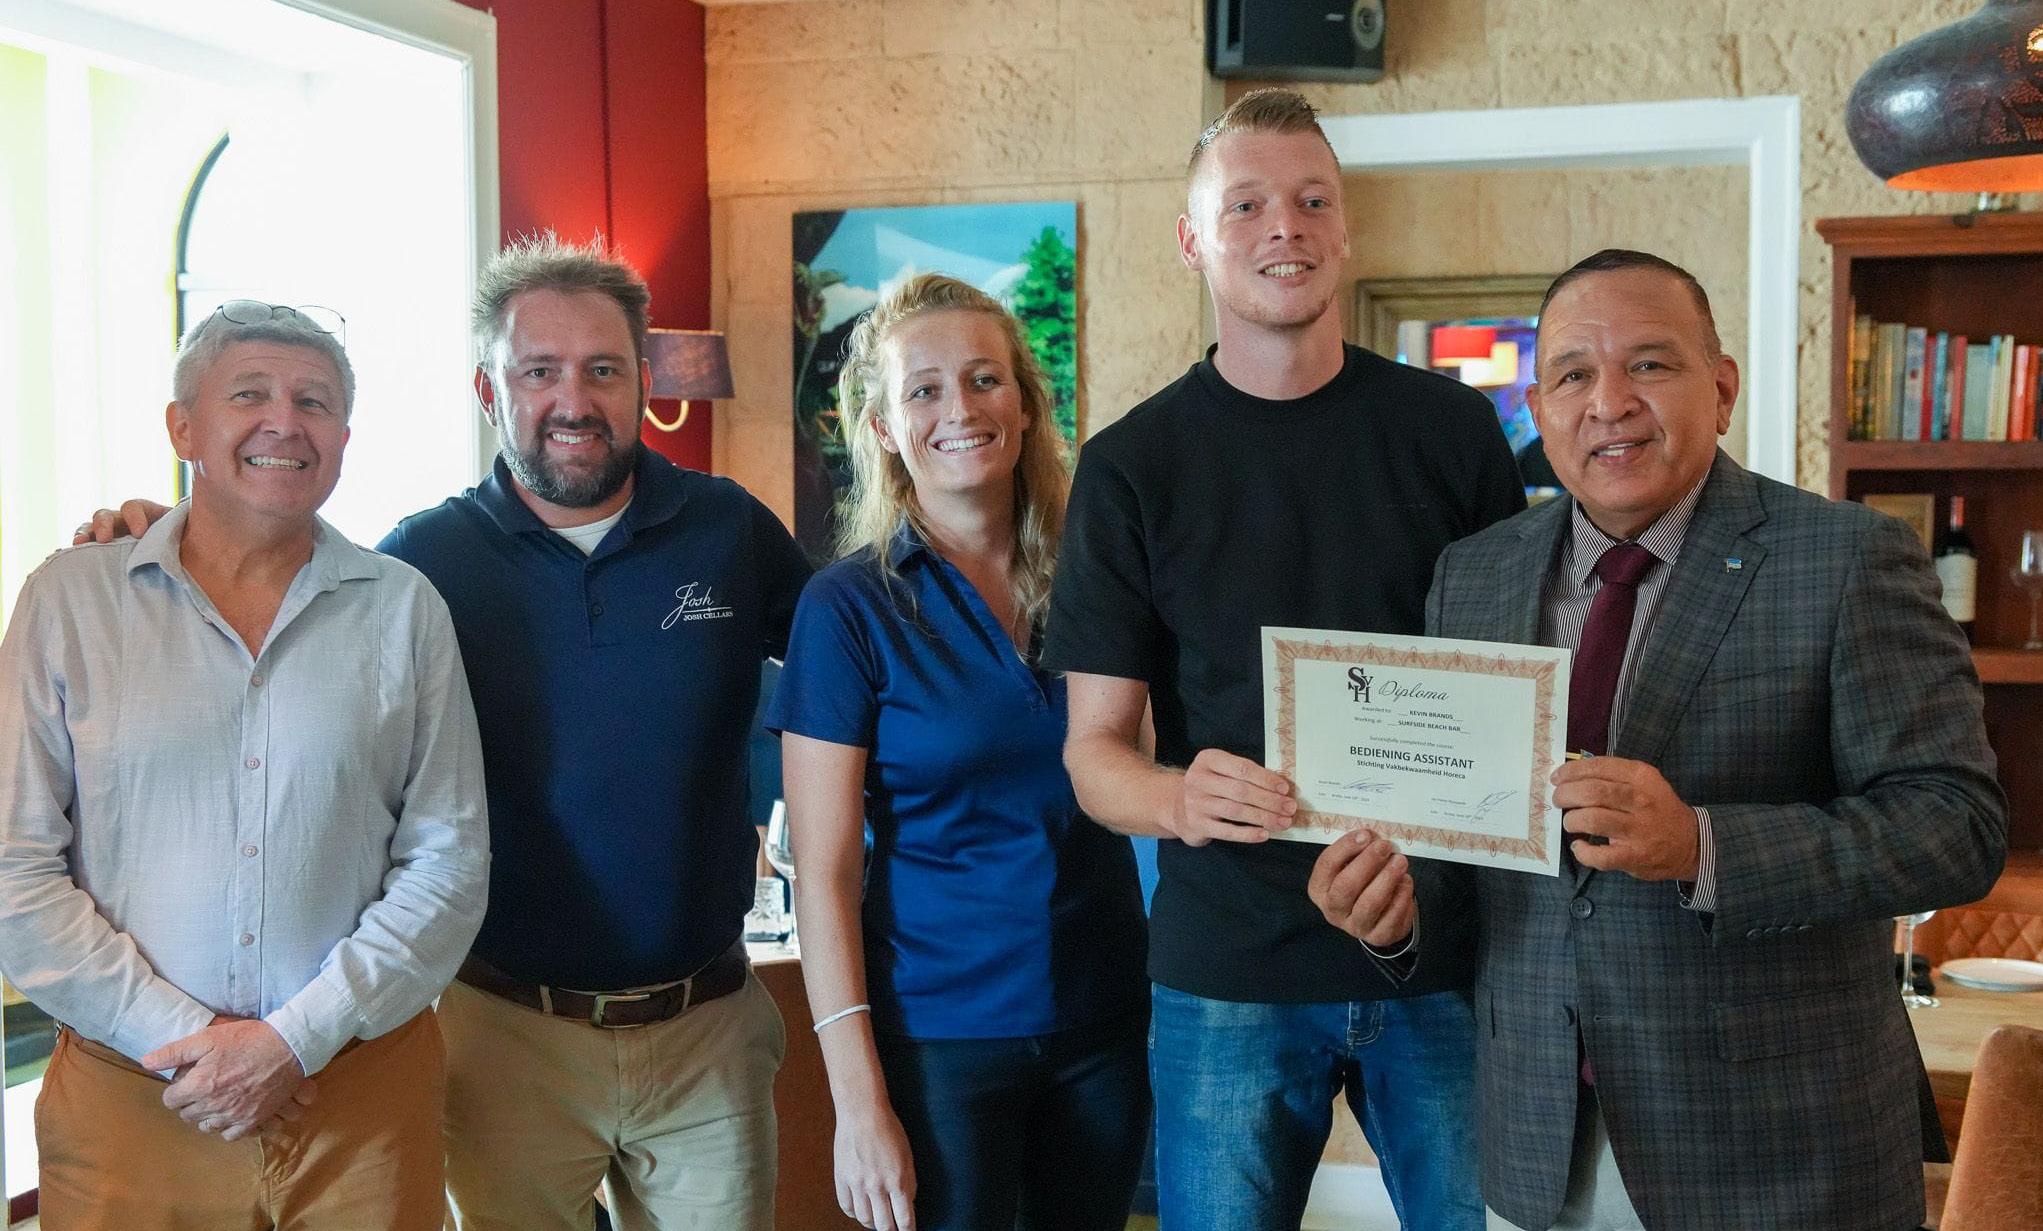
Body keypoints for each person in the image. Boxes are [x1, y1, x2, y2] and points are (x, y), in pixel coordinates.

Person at [76, 236, 813, 1231]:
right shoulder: (421, 563)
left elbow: (859, 664)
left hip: (707, 1030)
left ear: (644, 380)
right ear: (487, 389)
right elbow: (271, 620)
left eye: (602, 369)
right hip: (500, 1032)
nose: (573, 399)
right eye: (538, 370)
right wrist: (163, 531)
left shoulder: (729, 529)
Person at [1310, 249, 2007, 1231]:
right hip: (1536, 1142)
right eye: (1573, 375)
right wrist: (1395, 913)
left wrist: (1700, 845)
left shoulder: (1847, 559)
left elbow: (1955, 826)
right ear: (1538, 408)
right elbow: (1476, 860)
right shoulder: (1472, 576)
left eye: (1649, 363)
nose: (1610, 402)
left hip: (1779, 1154)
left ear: (1720, 390)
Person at [1044, 89, 1525, 1229]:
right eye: (1246, 204)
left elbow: (1515, 686)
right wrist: (1175, 796)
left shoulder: (1454, 432)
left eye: (1312, 201)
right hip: (1231, 969)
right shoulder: (1129, 467)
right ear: (1192, 239)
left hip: (1441, 951)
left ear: (1345, 227)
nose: (1284, 228)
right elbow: (1093, 756)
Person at [1, 301, 489, 1229]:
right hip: (132, 1099)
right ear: (183, 427)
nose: (284, 422)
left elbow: (449, 860)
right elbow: (15, 865)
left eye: (314, 402)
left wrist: (294, 1041)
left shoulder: (404, 609)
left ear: (342, 440)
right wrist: (188, 1041)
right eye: (249, 394)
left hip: (359, 1103)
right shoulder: (69, 601)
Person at [768, 274, 1150, 1231]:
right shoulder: (847, 608)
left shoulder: (1098, 577)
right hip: (938, 1041)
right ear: (885, 429)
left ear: (1024, 405)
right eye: (924, 390)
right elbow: (823, 873)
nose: (960, 409)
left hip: (1104, 1020)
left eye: (984, 379)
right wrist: (857, 1103)